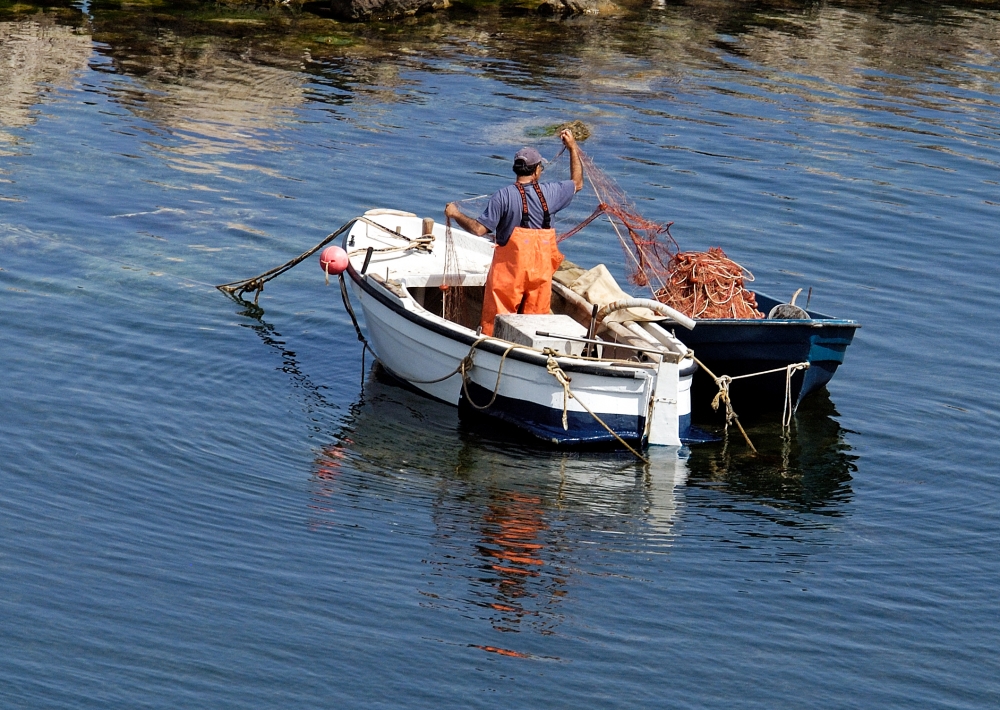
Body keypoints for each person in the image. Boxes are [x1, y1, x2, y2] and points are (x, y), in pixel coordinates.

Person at [445, 129, 584, 336]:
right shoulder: (551, 193)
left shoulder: (502, 196)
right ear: (536, 170)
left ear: (516, 169)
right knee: (535, 327)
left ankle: (493, 352)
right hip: (540, 274)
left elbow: (478, 229)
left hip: (509, 275)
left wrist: (455, 214)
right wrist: (573, 147)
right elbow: (578, 182)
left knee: (497, 323)